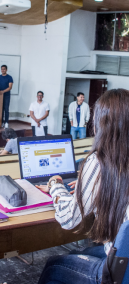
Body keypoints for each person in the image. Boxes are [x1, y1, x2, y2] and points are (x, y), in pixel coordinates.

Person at [36, 89, 129, 284]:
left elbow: (69, 218)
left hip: (118, 273)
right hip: (123, 256)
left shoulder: (99, 161)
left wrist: (55, 185)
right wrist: (91, 184)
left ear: (103, 125)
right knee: (83, 251)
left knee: (53, 265)